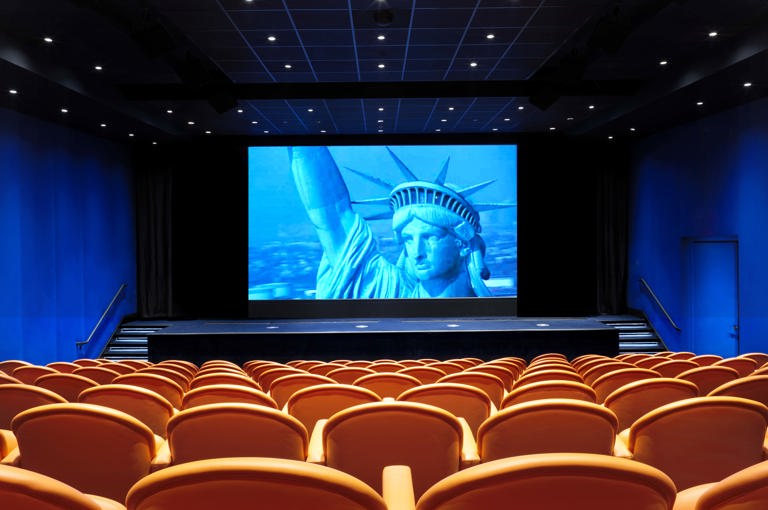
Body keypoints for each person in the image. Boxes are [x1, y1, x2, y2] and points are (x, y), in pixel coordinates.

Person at [289, 145, 497, 299]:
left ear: (462, 244)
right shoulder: (390, 290)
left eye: (430, 237)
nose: (417, 252)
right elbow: (333, 215)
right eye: (408, 239)